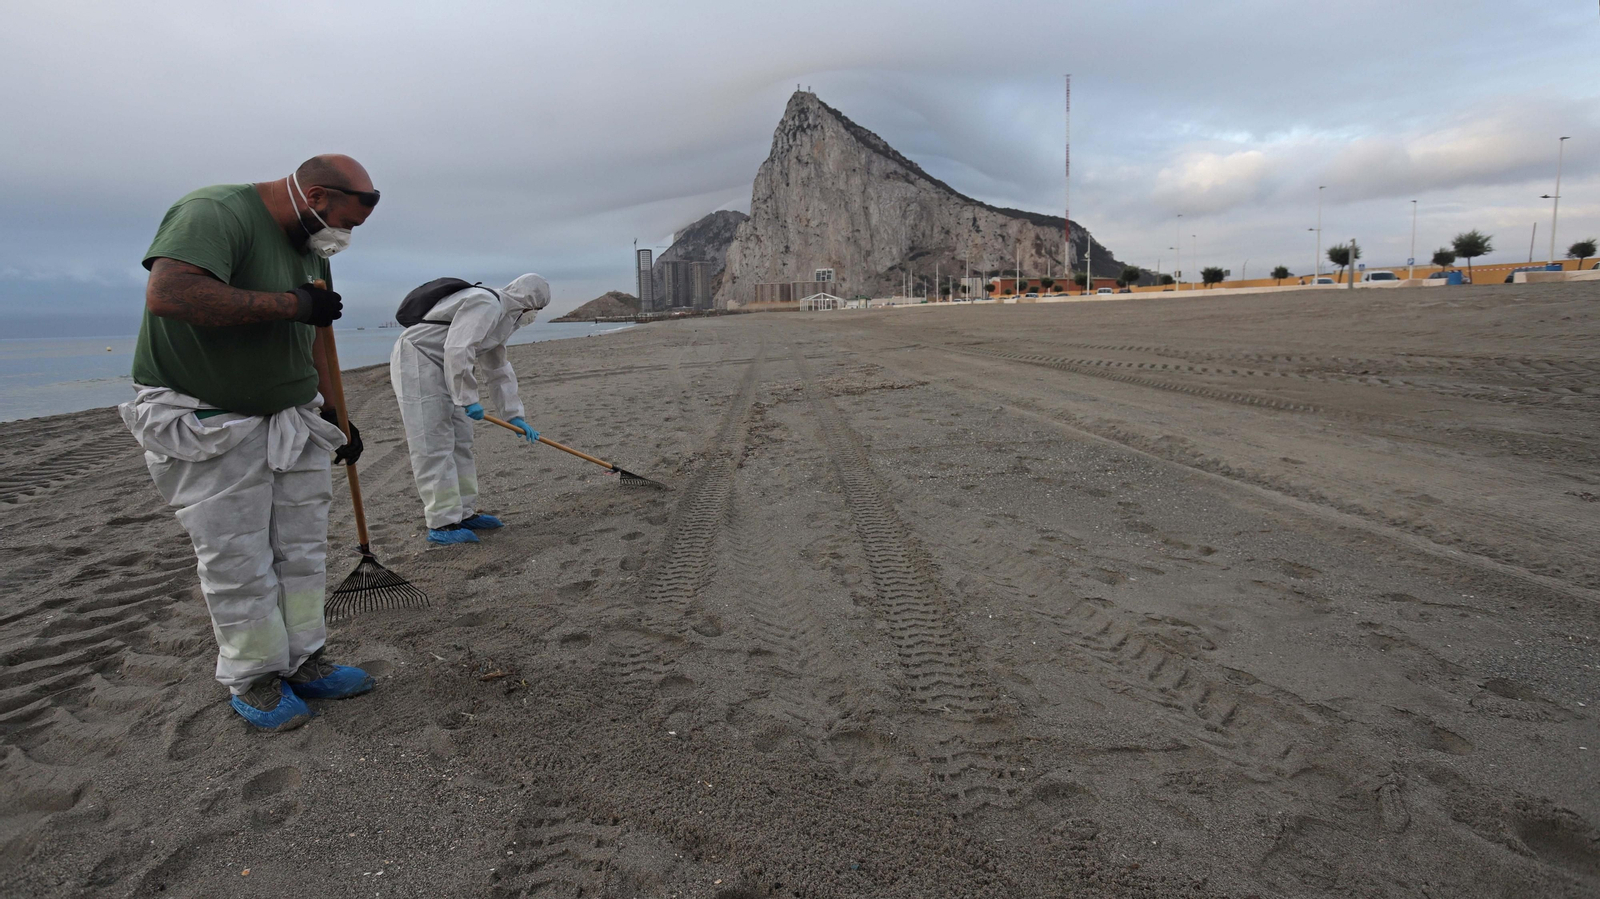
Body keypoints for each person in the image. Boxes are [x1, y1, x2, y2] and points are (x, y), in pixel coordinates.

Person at [119, 155, 380, 732]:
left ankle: (305, 659)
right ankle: (255, 676)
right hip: (207, 419)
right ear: (314, 196)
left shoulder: (314, 247)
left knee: (302, 548)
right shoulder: (213, 212)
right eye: (347, 223)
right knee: (238, 556)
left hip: (291, 417)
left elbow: (318, 337)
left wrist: (339, 414)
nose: (346, 237)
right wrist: (291, 303)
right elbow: (171, 293)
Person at [389, 275, 550, 544]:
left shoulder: (503, 318)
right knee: (433, 444)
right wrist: (467, 398)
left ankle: (463, 513)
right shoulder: (486, 303)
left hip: (446, 367)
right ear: (530, 303)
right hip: (418, 361)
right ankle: (442, 523)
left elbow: (497, 368)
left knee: (461, 441)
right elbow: (458, 348)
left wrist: (515, 415)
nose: (534, 316)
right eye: (538, 310)